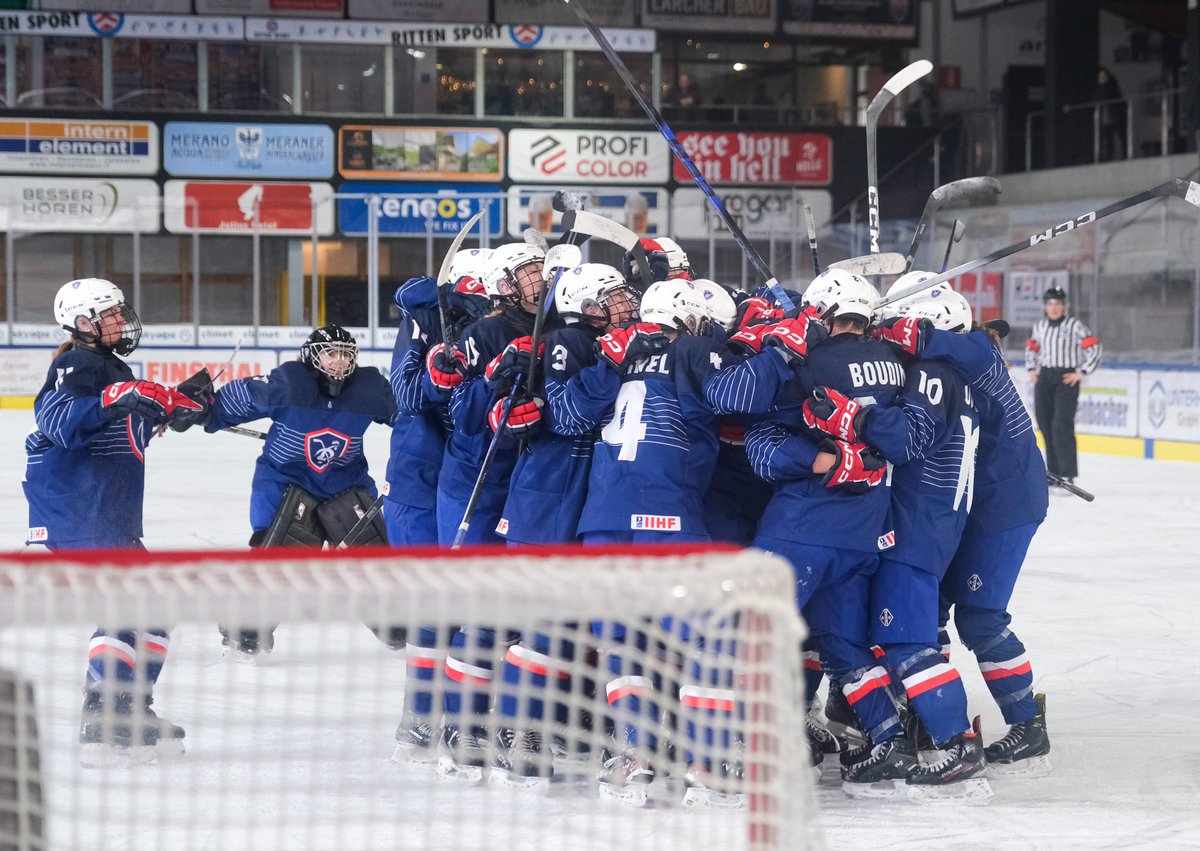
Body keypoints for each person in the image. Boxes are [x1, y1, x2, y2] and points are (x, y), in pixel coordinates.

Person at [807, 284, 990, 800]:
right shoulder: (953, 375)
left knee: (910, 645)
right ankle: (918, 733)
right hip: (925, 527)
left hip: (916, 530)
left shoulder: (934, 374)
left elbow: (907, 441)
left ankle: (957, 745)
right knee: (894, 640)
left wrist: (854, 416)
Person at [25, 278, 202, 766]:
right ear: (83, 323)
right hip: (81, 506)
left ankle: (128, 710)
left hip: (107, 509)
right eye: (111, 315)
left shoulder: (109, 367)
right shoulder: (76, 363)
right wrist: (116, 397)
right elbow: (58, 422)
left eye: (121, 313)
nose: (122, 322)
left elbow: (119, 421)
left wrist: (170, 406)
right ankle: (105, 721)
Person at [878, 302, 1052, 776]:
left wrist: (879, 326)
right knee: (932, 605)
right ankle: (923, 709)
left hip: (1005, 506)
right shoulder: (960, 363)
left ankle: (1027, 724)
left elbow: (923, 338)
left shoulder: (976, 350)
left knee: (980, 618)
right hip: (979, 502)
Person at [197, 325, 396, 661]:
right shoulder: (290, 384)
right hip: (284, 480)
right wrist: (204, 409)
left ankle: (396, 621)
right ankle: (245, 626)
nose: (339, 361)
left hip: (345, 482)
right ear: (312, 356)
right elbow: (240, 398)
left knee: (376, 553)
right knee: (274, 554)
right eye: (330, 353)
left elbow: (407, 417)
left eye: (346, 354)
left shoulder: (369, 390)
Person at [1025, 286, 1102, 486]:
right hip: (1045, 376)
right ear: (1045, 306)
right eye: (1050, 303)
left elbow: (1094, 346)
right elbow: (1031, 347)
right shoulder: (1040, 326)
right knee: (1045, 424)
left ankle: (1067, 473)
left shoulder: (1074, 325)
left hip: (1066, 378)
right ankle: (1053, 472)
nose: (1054, 307)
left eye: (1058, 303)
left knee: (1061, 425)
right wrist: (1031, 368)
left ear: (1064, 306)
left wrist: (1082, 371)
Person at [1094, 67, 1126, 161]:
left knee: (1121, 137)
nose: (1102, 79)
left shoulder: (1112, 87)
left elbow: (1117, 100)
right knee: (1107, 140)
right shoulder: (1097, 90)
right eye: (1100, 77)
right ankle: (1107, 157)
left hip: (1116, 116)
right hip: (1105, 118)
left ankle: (1124, 155)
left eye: (1103, 76)